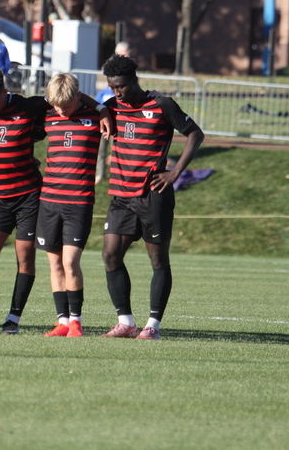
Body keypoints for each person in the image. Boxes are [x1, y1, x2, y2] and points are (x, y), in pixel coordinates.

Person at [0, 68, 110, 334]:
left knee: (25, 257)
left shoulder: (31, 106)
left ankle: (13, 320)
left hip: (30, 197)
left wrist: (102, 108)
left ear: (5, 92)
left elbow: (66, 97)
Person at [100, 54, 204, 340]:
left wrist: (175, 173)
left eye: (121, 86)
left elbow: (195, 134)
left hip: (153, 195)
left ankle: (153, 326)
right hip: (121, 195)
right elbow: (87, 103)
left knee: (157, 260)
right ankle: (126, 322)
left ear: (134, 80)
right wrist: (99, 110)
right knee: (110, 255)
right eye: (111, 87)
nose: (117, 92)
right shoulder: (110, 106)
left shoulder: (161, 104)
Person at [35, 74, 103, 338]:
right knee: (54, 265)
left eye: (65, 105)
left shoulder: (95, 117)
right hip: (49, 201)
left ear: (78, 97)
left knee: (70, 262)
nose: (60, 111)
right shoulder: (49, 115)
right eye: (56, 106)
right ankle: (62, 321)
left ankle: (76, 321)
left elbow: (104, 109)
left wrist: (102, 108)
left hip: (79, 202)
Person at [95, 41, 130, 184]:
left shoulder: (130, 70)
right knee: (101, 150)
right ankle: (100, 174)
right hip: (104, 122)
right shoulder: (105, 92)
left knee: (120, 150)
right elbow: (98, 100)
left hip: (121, 123)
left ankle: (119, 176)